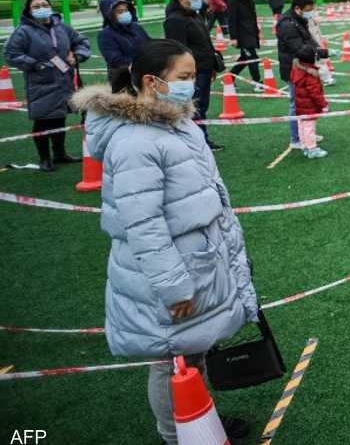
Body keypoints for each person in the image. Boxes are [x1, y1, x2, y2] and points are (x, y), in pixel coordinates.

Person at [71, 39, 257, 445]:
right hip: (171, 272)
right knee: (171, 360)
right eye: (184, 77)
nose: (192, 84)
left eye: (193, 76)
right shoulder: (137, 141)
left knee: (190, 354)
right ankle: (176, 434)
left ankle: (198, 420)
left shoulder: (177, 122)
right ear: (153, 82)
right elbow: (144, 224)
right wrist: (173, 286)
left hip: (197, 260)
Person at [3, 0, 91, 172]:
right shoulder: (24, 31)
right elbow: (11, 53)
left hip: (64, 80)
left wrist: (78, 55)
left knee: (59, 117)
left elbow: (82, 41)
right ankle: (44, 158)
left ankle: (60, 153)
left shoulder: (62, 27)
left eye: (45, 4)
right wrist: (34, 64)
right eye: (36, 6)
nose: (41, 8)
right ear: (29, 11)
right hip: (41, 82)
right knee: (43, 120)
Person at [163, 0, 223, 152]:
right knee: (193, 107)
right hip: (192, 72)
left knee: (200, 106)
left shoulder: (193, 15)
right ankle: (195, 141)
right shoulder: (175, 20)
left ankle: (200, 138)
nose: (198, 1)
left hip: (204, 67)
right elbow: (178, 49)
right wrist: (188, 73)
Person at [277, 0, 328, 151]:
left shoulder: (299, 20)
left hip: (304, 67)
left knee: (307, 104)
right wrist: (321, 53)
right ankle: (296, 138)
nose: (310, 13)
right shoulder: (287, 24)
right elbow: (300, 49)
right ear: (297, 8)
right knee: (297, 103)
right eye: (308, 10)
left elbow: (308, 41)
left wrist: (321, 51)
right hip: (294, 69)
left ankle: (307, 135)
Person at [97, 0, 149, 87]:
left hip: (144, 75)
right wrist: (142, 63)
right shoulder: (105, 34)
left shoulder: (136, 27)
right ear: (110, 15)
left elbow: (149, 43)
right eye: (120, 11)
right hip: (123, 79)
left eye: (126, 10)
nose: (125, 13)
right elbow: (116, 60)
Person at [290, 42, 329, 160]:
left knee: (302, 124)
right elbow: (315, 93)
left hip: (300, 104)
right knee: (309, 126)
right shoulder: (310, 75)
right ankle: (312, 149)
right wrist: (324, 105)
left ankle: (305, 145)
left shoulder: (297, 69)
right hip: (309, 105)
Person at [227, 0, 263, 89]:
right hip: (242, 34)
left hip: (251, 31)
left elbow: (253, 16)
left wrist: (257, 30)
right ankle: (257, 82)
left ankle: (229, 78)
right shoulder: (233, 0)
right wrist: (233, 37)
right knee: (252, 57)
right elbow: (231, 20)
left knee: (245, 58)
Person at [295, 0, 333, 87]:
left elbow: (313, 19)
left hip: (314, 34)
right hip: (307, 38)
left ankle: (326, 77)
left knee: (318, 55)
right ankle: (325, 77)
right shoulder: (296, 14)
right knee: (314, 56)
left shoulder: (309, 7)